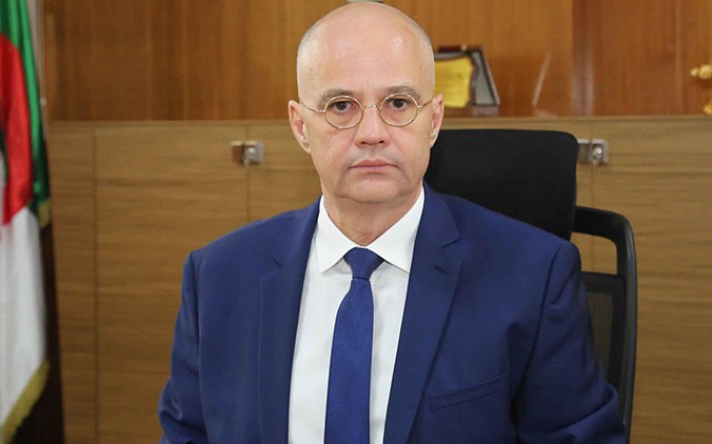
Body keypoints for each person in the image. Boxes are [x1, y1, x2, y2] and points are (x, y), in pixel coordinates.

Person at [158, 2, 626, 443]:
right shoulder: (218, 276)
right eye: (341, 106)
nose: (372, 133)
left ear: (434, 120)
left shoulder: (532, 276)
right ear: (301, 127)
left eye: (398, 103)